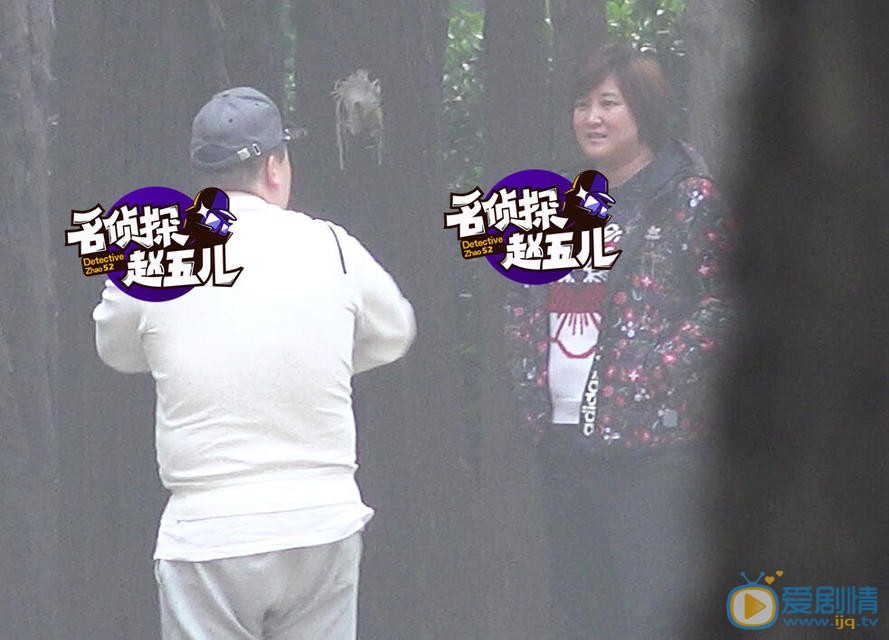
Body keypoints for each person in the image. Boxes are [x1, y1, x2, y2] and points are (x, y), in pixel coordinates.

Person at [93, 87, 416, 640]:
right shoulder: (333, 246)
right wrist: (321, 359)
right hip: (320, 521)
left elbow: (114, 348)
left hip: (208, 532)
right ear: (273, 167)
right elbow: (395, 331)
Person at [505, 45, 735, 638]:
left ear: (644, 111)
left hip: (651, 450)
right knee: (583, 609)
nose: (592, 117)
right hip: (563, 443)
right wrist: (529, 381)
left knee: (655, 610)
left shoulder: (689, 198)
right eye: (582, 104)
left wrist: (652, 372)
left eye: (609, 103)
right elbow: (525, 299)